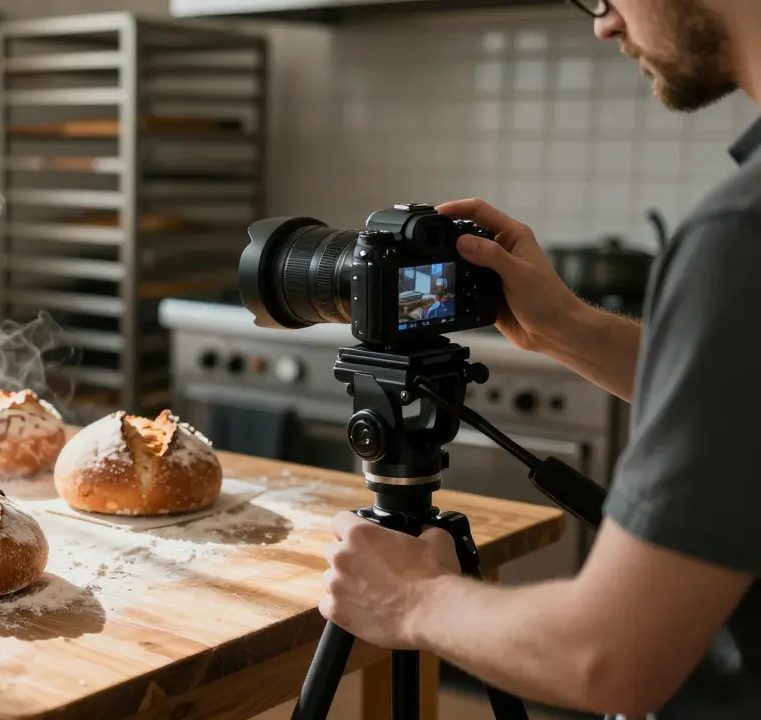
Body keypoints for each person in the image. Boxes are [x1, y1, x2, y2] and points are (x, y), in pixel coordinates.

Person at [318, 0, 761, 717]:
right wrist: (566, 327)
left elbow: (608, 658)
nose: (603, 22)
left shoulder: (741, 232)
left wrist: (413, 598)